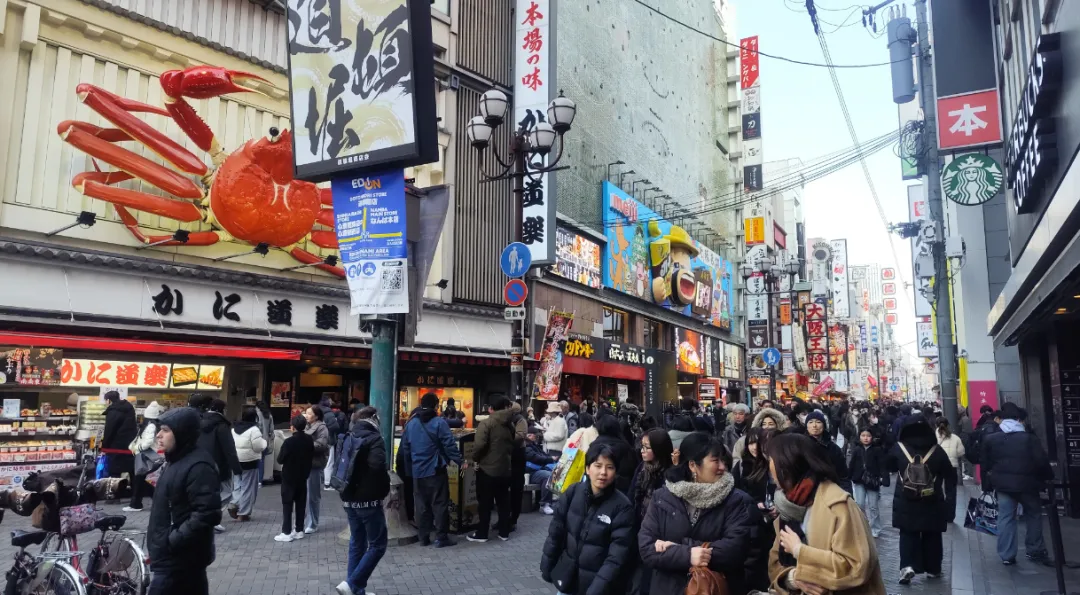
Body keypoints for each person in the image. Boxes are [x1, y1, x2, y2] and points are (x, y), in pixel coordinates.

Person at [765, 433, 886, 595]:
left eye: (771, 460)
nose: (769, 467)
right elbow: (775, 564)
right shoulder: (787, 505)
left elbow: (857, 566)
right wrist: (792, 578)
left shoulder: (838, 505)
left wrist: (800, 551)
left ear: (786, 464)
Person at [639, 432, 753, 594]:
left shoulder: (735, 500)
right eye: (715, 460)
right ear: (693, 465)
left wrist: (680, 548)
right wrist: (688, 555)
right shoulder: (662, 497)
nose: (722, 467)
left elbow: (734, 549)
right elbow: (647, 547)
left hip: (712, 588)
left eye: (723, 460)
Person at [541, 442, 635, 595]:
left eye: (610, 467)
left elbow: (616, 557)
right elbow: (556, 532)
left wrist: (597, 589)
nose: (603, 472)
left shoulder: (622, 507)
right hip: (568, 579)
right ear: (587, 469)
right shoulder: (573, 492)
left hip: (598, 586)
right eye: (598, 466)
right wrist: (547, 565)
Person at [146, 407, 222, 595]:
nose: (159, 436)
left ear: (181, 432)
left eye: (165, 430)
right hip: (176, 558)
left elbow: (207, 513)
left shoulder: (198, 466)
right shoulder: (175, 461)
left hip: (179, 560)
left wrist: (173, 540)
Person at [886, 414, 956, 584]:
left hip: (906, 499)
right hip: (932, 499)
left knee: (908, 533)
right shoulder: (936, 450)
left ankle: (907, 567)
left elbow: (888, 466)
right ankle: (933, 569)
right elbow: (950, 475)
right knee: (932, 534)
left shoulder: (898, 448)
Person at [981, 401, 1053, 565]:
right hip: (1028, 484)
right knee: (1033, 515)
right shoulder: (1029, 438)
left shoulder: (991, 439)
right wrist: (1047, 478)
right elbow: (1041, 461)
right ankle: (1035, 550)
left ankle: (1007, 555)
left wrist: (987, 484)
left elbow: (985, 464)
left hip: (1003, 485)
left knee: (1006, 518)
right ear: (1019, 420)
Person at [336, 407, 391, 595]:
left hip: (349, 498)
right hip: (368, 500)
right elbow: (377, 466)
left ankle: (356, 590)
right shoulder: (375, 439)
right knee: (378, 544)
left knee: (357, 541)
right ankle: (352, 584)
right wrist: (384, 486)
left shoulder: (347, 436)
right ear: (374, 419)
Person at [401, 392, 464, 547]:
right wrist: (459, 461)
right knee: (440, 504)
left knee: (422, 505)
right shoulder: (439, 423)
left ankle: (424, 537)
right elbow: (449, 444)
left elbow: (405, 449)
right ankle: (441, 537)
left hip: (418, 471)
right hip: (436, 469)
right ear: (436, 406)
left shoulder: (411, 423)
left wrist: (410, 469)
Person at [627, 429, 674, 595]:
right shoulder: (642, 468)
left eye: (647, 447)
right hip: (639, 529)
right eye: (642, 446)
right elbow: (632, 497)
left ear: (659, 449)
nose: (642, 450)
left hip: (659, 536)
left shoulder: (670, 475)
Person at [732, 428, 777, 592]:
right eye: (750, 443)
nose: (754, 447)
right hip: (748, 523)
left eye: (758, 443)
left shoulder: (772, 465)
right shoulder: (742, 466)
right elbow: (734, 493)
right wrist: (754, 505)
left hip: (770, 524)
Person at [468, 397, 517, 543]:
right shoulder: (510, 424)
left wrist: (475, 458)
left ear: (491, 408)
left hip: (487, 469)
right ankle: (504, 532)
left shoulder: (487, 423)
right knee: (503, 502)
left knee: (485, 503)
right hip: (505, 468)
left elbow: (479, 445)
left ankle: (482, 533)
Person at [190, 395, 240, 534]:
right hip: (219, 465)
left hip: (201, 462)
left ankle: (208, 518)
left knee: (205, 492)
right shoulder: (222, 425)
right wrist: (236, 468)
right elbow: (229, 449)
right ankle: (210, 517)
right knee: (226, 492)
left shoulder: (199, 421)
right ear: (222, 410)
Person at [275, 415, 314, 542]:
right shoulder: (309, 440)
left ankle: (286, 532)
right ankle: (299, 530)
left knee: (287, 504)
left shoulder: (289, 442)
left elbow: (280, 459)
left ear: (293, 427)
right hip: (303, 475)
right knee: (301, 504)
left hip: (289, 476)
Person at [229, 405, 267, 522]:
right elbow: (258, 446)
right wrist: (265, 442)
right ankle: (243, 513)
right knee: (248, 488)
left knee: (237, 484)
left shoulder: (234, 429)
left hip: (236, 461)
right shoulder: (254, 430)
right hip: (249, 462)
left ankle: (234, 503)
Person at [124, 401, 163, 512]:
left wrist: (137, 448)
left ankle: (136, 504)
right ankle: (154, 501)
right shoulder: (151, 425)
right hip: (144, 455)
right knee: (142, 480)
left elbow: (148, 441)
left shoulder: (150, 426)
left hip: (145, 455)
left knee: (140, 479)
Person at [850, 428, 887, 538]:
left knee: (873, 506)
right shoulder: (856, 449)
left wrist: (883, 478)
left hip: (873, 480)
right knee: (860, 504)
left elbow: (882, 465)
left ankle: (875, 528)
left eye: (868, 435)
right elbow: (852, 463)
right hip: (859, 479)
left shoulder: (878, 450)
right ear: (859, 436)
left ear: (872, 437)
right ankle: (863, 526)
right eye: (863, 435)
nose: (865, 438)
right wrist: (848, 476)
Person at [805, 410, 852, 493]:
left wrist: (848, 495)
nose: (814, 425)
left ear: (824, 425)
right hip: (806, 493)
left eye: (818, 422)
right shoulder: (799, 446)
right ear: (806, 426)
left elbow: (843, 476)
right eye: (810, 422)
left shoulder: (834, 448)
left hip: (829, 491)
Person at [592, 414, 637, 495]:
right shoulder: (625, 447)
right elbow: (631, 470)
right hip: (621, 491)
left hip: (597, 489)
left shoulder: (593, 446)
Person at [304, 405, 331, 534]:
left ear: (316, 415)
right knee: (304, 495)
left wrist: (304, 444)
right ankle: (303, 521)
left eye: (309, 413)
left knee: (313, 496)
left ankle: (313, 523)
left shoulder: (322, 427)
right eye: (306, 413)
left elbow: (321, 444)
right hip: (304, 464)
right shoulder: (306, 426)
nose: (306, 415)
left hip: (315, 464)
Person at [102, 390, 138, 482]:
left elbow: (109, 430)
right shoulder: (129, 408)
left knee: (114, 472)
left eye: (106, 400)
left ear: (109, 400)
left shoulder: (113, 411)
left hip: (116, 446)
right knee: (132, 470)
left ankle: (115, 492)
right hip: (130, 445)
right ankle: (135, 494)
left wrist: (104, 446)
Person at [507, 402, 530, 531]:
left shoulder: (520, 420)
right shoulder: (505, 420)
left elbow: (520, 437)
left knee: (516, 489)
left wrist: (505, 437)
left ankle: (513, 519)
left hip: (517, 456)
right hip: (507, 457)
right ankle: (504, 518)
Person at [525, 428, 558, 515]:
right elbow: (535, 457)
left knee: (549, 473)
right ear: (529, 435)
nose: (536, 438)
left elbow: (542, 455)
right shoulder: (526, 446)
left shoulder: (532, 445)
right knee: (548, 476)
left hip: (535, 471)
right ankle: (544, 505)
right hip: (529, 473)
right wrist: (550, 459)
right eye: (535, 436)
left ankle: (544, 502)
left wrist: (550, 458)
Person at [255, 401, 275, 484]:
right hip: (265, 441)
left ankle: (254, 480)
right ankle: (260, 481)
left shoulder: (256, 415)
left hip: (256, 440)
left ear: (258, 407)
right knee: (261, 461)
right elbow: (271, 430)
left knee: (254, 461)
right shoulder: (269, 415)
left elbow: (257, 427)